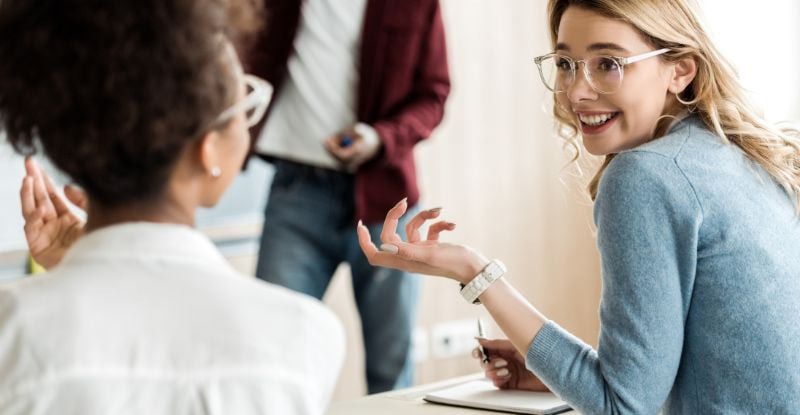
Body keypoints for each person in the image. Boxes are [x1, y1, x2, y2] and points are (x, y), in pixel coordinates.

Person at [357, 0, 800, 413]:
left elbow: (621, 405)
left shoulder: (646, 176)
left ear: (680, 71)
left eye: (608, 64)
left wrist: (475, 273)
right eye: (567, 64)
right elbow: (682, 371)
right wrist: (556, 370)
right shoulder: (738, 154)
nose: (576, 92)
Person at [0, 0, 344, 413]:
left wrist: (73, 271)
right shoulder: (302, 336)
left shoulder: (13, 329)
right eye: (243, 106)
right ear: (207, 148)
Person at [245, 0, 450, 392]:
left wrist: (378, 138)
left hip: (386, 199)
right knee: (269, 355)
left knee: (391, 367)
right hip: (296, 194)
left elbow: (434, 95)